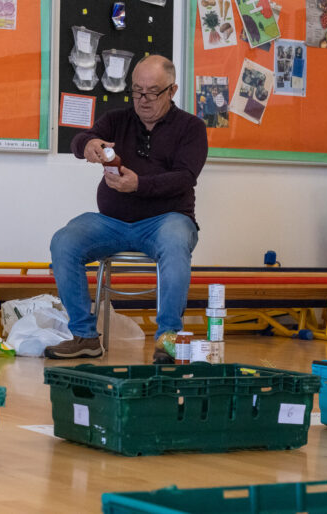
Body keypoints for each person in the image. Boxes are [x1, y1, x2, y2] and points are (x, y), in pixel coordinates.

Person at [44, 55, 208, 363]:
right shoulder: (117, 119)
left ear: (172, 91)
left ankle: (168, 341)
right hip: (112, 222)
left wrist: (139, 185)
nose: (143, 99)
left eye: (152, 92)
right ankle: (84, 337)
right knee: (64, 240)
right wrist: (87, 145)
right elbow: (80, 139)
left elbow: (186, 177)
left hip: (167, 221)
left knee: (175, 242)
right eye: (136, 91)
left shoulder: (192, 128)